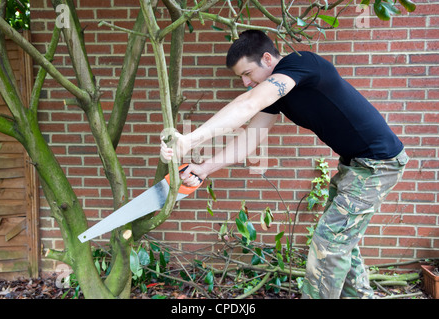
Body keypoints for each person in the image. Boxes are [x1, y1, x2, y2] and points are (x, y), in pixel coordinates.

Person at [160, 30, 408, 299]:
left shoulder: (303, 63)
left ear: (267, 59)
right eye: (241, 77)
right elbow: (249, 139)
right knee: (340, 243)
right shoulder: (277, 94)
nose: (245, 82)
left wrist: (189, 140)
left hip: (377, 164)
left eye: (247, 73)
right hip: (355, 166)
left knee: (330, 245)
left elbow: (247, 104)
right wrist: (204, 168)